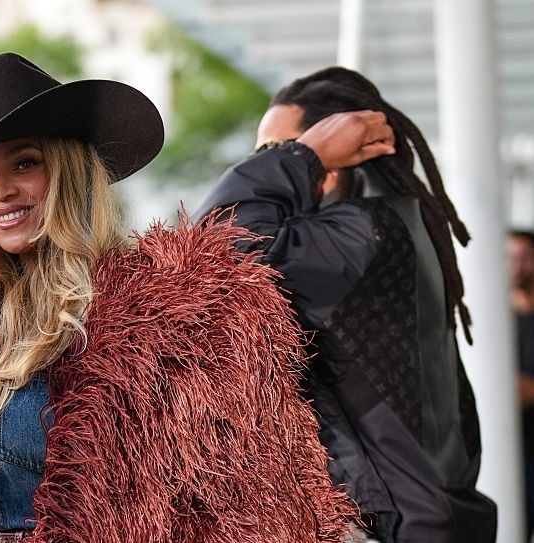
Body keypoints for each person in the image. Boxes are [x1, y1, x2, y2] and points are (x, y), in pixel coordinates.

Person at [0, 52, 397, 543]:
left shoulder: (148, 312)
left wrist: (298, 158)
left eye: (25, 163)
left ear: (69, 175)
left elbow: (226, 499)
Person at [194, 67, 497, 542]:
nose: (270, 162)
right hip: (416, 518)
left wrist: (303, 155)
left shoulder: (359, 237)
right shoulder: (384, 228)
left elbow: (214, 252)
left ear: (332, 157)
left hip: (387, 527)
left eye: (275, 149)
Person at [509, 230, 534, 536]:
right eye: (509, 257)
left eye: (524, 256)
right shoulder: (491, 321)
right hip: (510, 448)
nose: (515, 265)